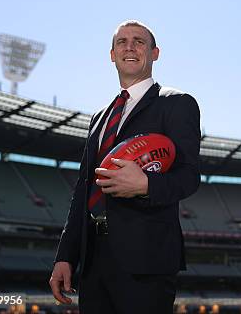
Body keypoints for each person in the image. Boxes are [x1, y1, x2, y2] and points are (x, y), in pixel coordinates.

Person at [49, 20, 201, 313]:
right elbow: (83, 189)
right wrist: (65, 256)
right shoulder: (99, 117)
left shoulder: (176, 103)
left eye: (139, 41)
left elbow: (189, 177)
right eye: (122, 42)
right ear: (112, 54)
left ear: (155, 53)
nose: (129, 47)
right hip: (93, 260)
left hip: (145, 260)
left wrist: (146, 185)